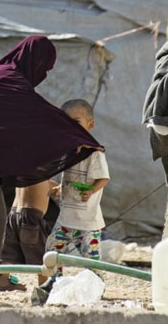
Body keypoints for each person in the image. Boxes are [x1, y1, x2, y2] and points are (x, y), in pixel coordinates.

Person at [0, 35, 103, 291]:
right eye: (44, 67)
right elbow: (39, 117)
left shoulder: (0, 77)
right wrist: (76, 137)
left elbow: (13, 128)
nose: (43, 74)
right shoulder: (10, 81)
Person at [42, 99, 110, 288]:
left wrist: (91, 190)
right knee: (52, 249)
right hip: (66, 218)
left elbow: (104, 179)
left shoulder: (94, 153)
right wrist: (61, 188)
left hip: (87, 221)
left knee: (91, 259)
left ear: (90, 125)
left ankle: (97, 285)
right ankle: (55, 281)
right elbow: (71, 177)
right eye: (67, 122)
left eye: (77, 122)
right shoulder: (70, 151)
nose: (72, 127)